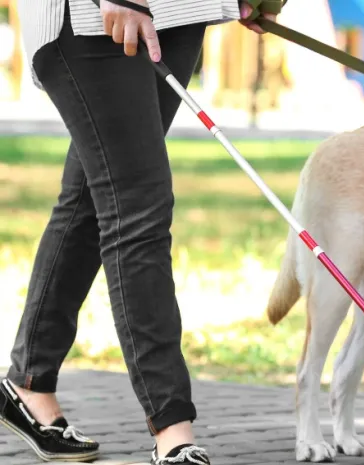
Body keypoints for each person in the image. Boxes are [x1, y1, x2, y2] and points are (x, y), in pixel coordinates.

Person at [0, 1, 281, 464]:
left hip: (180, 9)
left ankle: (28, 383)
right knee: (139, 208)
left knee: (93, 198)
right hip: (94, 14)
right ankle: (173, 428)